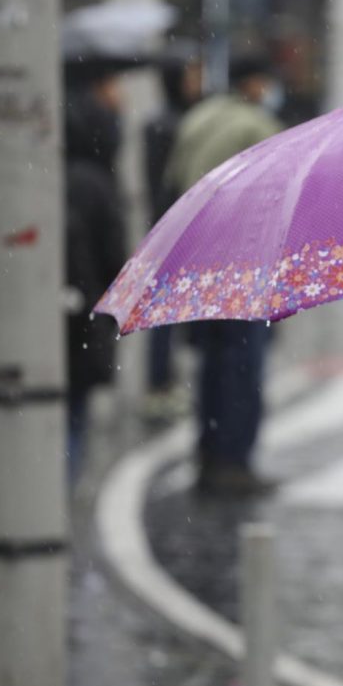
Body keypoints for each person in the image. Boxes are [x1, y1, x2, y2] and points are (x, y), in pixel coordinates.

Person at [164, 55, 284, 495]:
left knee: (212, 362)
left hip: (197, 258)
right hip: (241, 262)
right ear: (253, 84)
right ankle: (234, 460)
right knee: (243, 364)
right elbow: (279, 198)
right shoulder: (256, 128)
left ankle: (210, 451)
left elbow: (174, 178)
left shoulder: (198, 117)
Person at [63, 69, 127, 480]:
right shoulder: (99, 186)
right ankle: (60, 501)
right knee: (74, 416)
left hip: (49, 316)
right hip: (83, 318)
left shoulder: (51, 175)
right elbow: (114, 261)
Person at [143, 43, 203, 416]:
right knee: (164, 314)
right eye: (191, 74)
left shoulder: (176, 119)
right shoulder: (167, 124)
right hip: (173, 228)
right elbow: (167, 182)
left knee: (171, 312)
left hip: (173, 225)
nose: (198, 82)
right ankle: (159, 382)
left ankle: (165, 381)